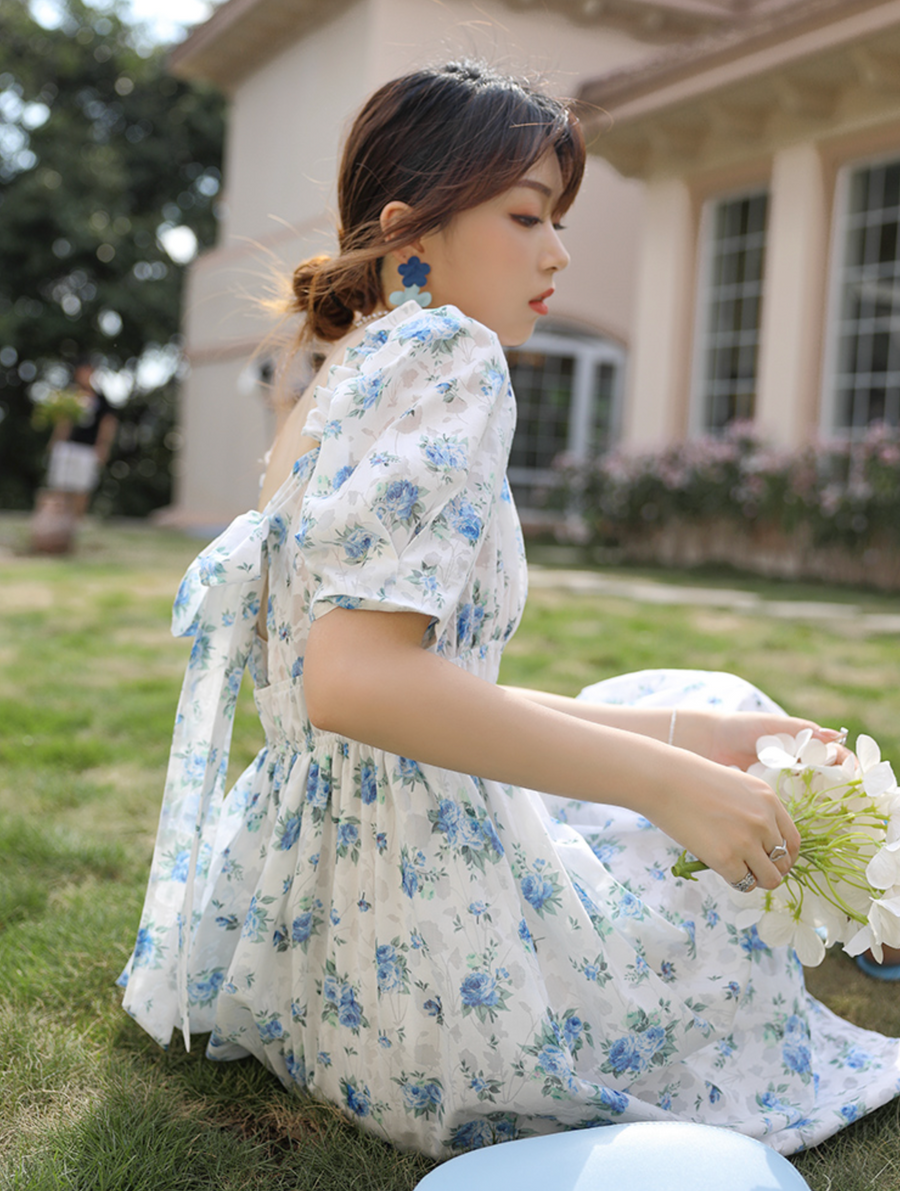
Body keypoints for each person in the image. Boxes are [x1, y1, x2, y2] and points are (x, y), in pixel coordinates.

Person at [119, 61, 900, 1159]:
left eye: (560, 219)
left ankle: (847, 899)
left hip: (316, 954)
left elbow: (413, 690)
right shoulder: (450, 356)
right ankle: (874, 927)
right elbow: (356, 685)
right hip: (452, 980)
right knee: (707, 748)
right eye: (527, 215)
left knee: (698, 710)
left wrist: (688, 744)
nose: (558, 252)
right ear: (410, 234)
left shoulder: (335, 375)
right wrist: (667, 781)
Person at [46, 357, 118, 518]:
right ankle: (56, 521)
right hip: (67, 446)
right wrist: (55, 441)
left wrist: (103, 447)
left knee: (81, 488)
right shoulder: (69, 395)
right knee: (60, 485)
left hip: (87, 448)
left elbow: (107, 424)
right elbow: (63, 422)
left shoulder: (101, 399)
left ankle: (76, 522)